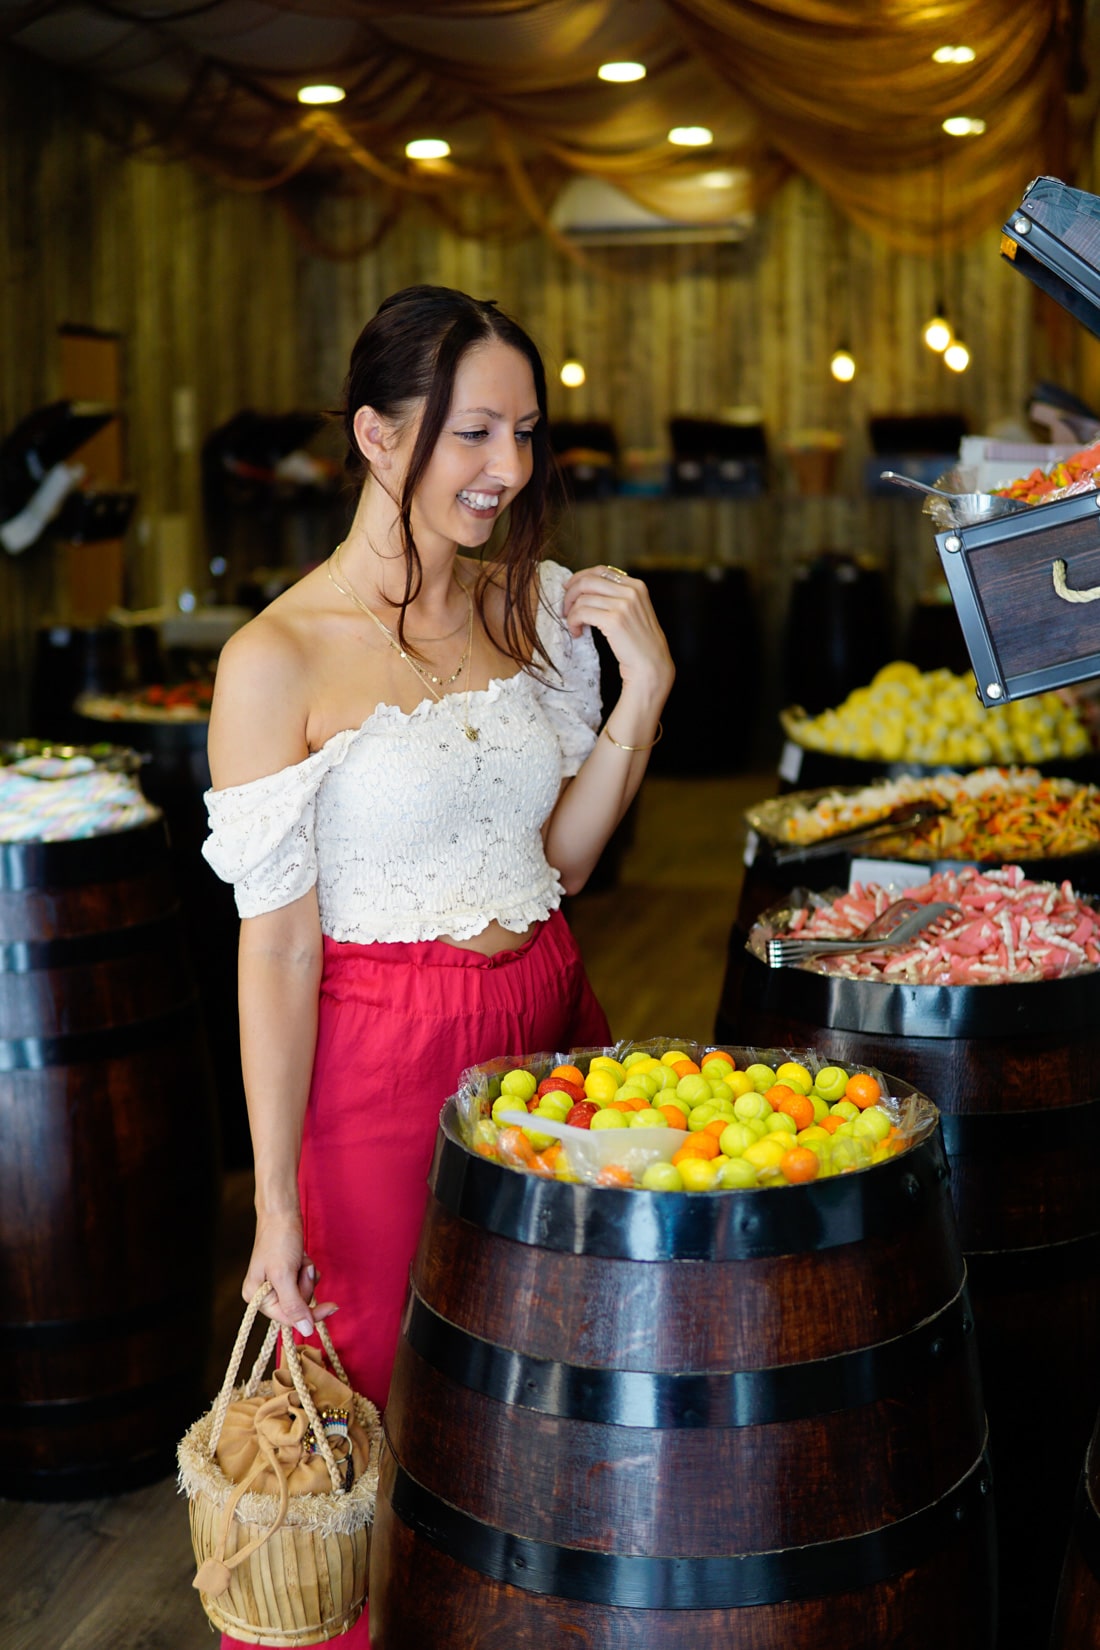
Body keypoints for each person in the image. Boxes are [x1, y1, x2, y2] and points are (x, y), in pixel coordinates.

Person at [201, 284, 674, 1649]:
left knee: (551, 1405)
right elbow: (278, 948)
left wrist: (640, 701)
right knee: (365, 1426)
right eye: (472, 433)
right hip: (380, 1059)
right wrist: (273, 1206)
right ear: (374, 433)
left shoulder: (529, 607)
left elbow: (564, 860)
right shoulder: (275, 657)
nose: (509, 470)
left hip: (552, 1026)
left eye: (525, 431)